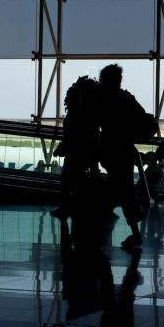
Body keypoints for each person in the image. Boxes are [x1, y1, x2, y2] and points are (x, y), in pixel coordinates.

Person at [97, 64, 149, 250]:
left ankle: (130, 231)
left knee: (116, 191)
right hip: (125, 150)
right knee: (122, 190)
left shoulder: (102, 100)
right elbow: (142, 117)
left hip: (112, 150)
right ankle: (134, 230)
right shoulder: (127, 98)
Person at [51, 76, 100, 221]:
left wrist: (62, 147)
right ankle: (81, 210)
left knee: (67, 179)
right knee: (82, 181)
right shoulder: (90, 113)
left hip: (75, 154)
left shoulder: (75, 114)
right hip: (88, 152)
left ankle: (67, 208)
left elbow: (71, 135)